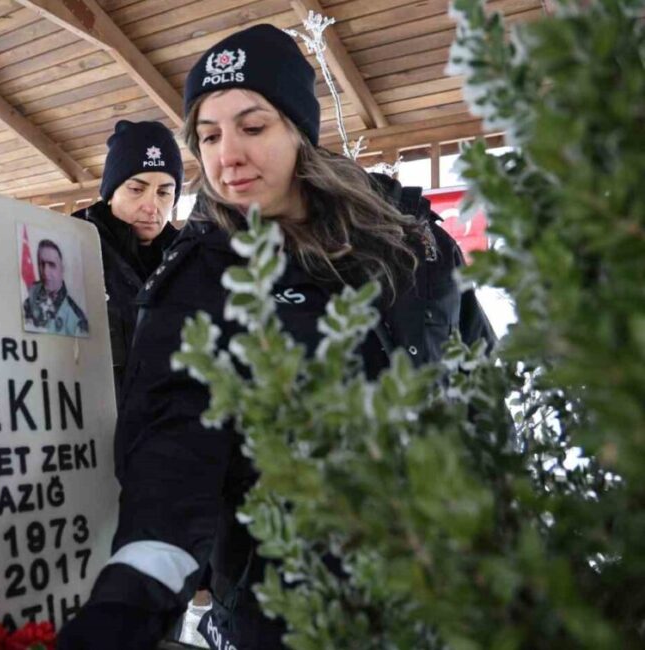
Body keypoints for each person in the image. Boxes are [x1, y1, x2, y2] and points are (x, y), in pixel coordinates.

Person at [58, 24, 496, 649]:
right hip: (290, 610)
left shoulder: (415, 243)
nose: (226, 155)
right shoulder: (203, 279)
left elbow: (480, 382)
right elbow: (173, 464)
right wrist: (127, 606)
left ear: (298, 130)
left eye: (253, 127)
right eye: (208, 136)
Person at [74, 119, 183, 397]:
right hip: (89, 426)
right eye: (136, 189)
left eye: (164, 192)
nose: (152, 206)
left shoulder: (187, 258)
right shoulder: (68, 244)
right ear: (110, 194)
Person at [23, 238, 90, 336]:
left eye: (52, 265)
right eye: (42, 264)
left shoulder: (76, 319)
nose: (45, 272)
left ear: (62, 269)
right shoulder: (32, 295)